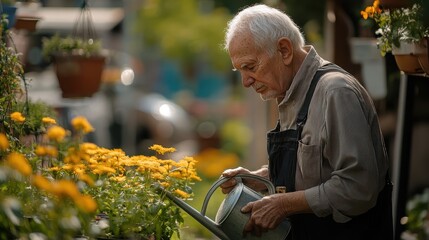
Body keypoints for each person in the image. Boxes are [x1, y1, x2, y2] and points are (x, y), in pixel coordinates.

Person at [219, 4, 393, 240]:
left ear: (284, 50)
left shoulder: (336, 92)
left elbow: (359, 186)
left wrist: (284, 205)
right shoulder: (292, 92)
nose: (245, 82)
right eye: (239, 70)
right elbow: (312, 169)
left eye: (249, 67)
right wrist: (259, 178)